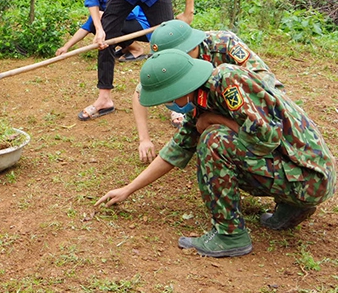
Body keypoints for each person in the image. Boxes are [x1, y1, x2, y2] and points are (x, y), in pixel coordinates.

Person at [97, 49, 335, 258]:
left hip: (310, 177)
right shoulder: (201, 98)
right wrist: (128, 189)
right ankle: (292, 206)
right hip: (301, 173)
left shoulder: (228, 83)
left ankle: (230, 236)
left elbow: (267, 138)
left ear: (180, 86)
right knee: (212, 135)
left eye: (167, 98)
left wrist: (213, 120)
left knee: (214, 141)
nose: (166, 104)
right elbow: (175, 151)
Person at [78, 0, 197, 121]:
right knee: (106, 39)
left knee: (169, 43)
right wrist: (99, 30)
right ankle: (104, 99)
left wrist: (188, 11)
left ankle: (178, 101)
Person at [133, 20, 284, 162]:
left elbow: (262, 77)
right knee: (200, 124)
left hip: (246, 101)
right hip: (211, 101)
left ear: (192, 47)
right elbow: (141, 91)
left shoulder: (224, 43)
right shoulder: (167, 62)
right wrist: (144, 139)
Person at [56, 0, 151, 61]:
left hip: (145, 27)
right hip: (128, 26)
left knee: (106, 20)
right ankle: (127, 48)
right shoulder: (100, 0)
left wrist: (104, 15)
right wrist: (66, 46)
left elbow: (132, 15)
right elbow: (87, 27)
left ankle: (136, 50)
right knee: (96, 24)